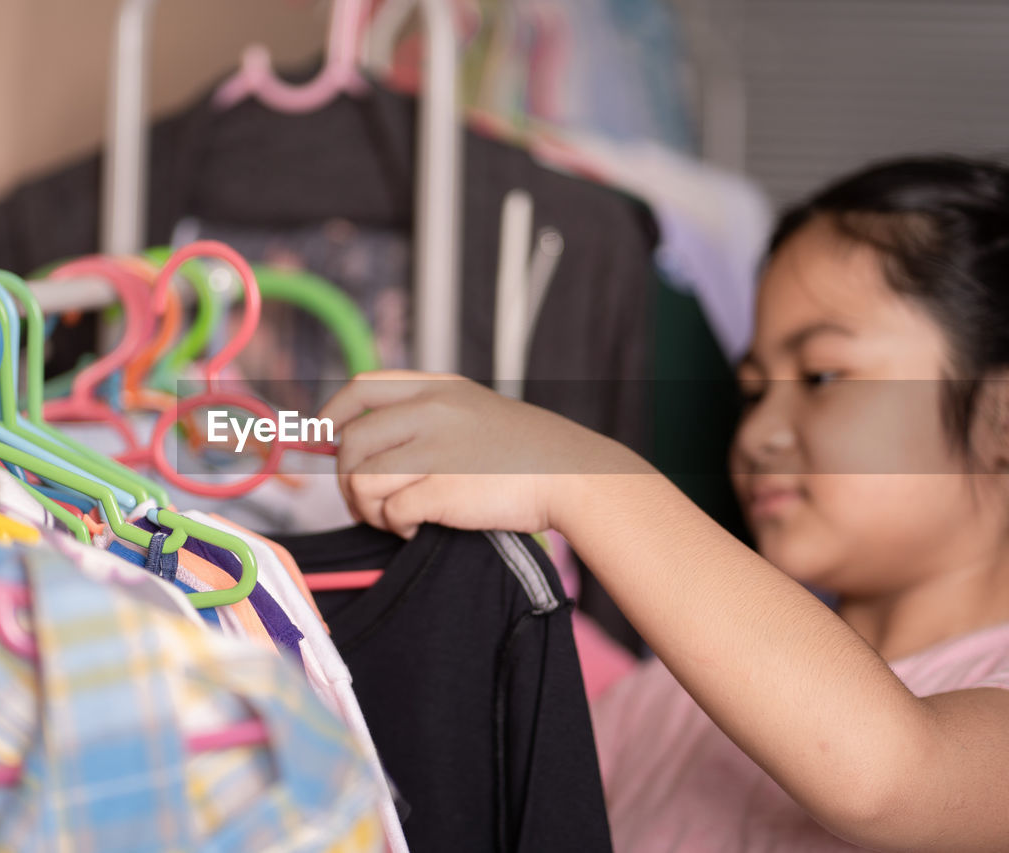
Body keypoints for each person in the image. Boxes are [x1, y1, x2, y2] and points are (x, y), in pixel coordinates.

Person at [318, 156, 1009, 851]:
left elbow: (893, 777)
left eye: (822, 374)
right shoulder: (664, 701)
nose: (759, 433)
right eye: (755, 391)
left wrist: (580, 475)